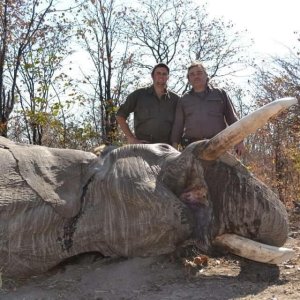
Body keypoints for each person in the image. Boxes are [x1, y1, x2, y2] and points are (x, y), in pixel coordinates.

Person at [171, 61, 245, 156]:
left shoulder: (220, 94)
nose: (196, 76)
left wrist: (239, 141)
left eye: (199, 73)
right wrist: (174, 148)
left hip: (218, 145)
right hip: (191, 148)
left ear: (206, 76)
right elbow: (178, 125)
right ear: (189, 79)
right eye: (192, 74)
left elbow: (232, 119)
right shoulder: (184, 99)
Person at [116, 63, 179, 145]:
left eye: (164, 74)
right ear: (152, 76)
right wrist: (131, 138)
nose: (161, 76)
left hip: (166, 148)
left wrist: (175, 144)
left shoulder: (175, 99)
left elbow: (179, 124)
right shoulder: (138, 95)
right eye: (158, 73)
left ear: (168, 77)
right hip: (143, 146)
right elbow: (120, 115)